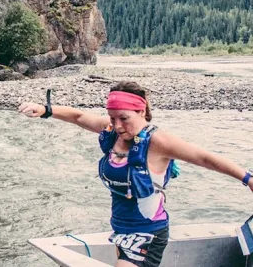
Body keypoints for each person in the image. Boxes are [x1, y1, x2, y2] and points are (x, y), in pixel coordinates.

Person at [19, 81, 253, 267]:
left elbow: (204, 158)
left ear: (141, 111)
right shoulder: (114, 132)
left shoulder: (158, 142)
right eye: (112, 118)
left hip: (148, 235)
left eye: (124, 118)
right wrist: (45, 110)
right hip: (122, 230)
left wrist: (247, 178)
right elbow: (78, 117)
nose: (117, 125)